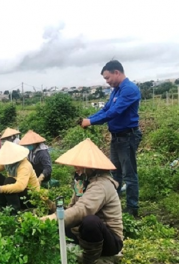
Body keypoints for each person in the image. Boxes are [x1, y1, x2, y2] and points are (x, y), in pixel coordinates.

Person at [40, 138, 123, 264]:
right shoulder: (81, 181)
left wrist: (51, 218)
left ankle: (90, 260)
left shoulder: (101, 185)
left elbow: (82, 210)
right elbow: (72, 207)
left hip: (109, 239)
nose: (75, 168)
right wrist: (51, 206)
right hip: (82, 233)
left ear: (90, 166)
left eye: (79, 165)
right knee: (60, 225)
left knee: (91, 221)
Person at [80, 60, 142, 217]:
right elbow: (106, 109)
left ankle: (132, 209)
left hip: (127, 136)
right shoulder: (116, 90)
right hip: (117, 137)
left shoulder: (129, 90)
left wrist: (91, 121)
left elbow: (114, 112)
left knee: (129, 174)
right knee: (115, 173)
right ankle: (114, 204)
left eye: (108, 78)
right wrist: (89, 119)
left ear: (117, 72)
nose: (107, 82)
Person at [0, 141, 40, 215]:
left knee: (9, 181)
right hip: (18, 194)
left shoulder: (24, 166)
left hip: (30, 198)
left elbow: (20, 186)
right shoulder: (8, 164)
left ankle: (14, 211)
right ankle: (2, 205)